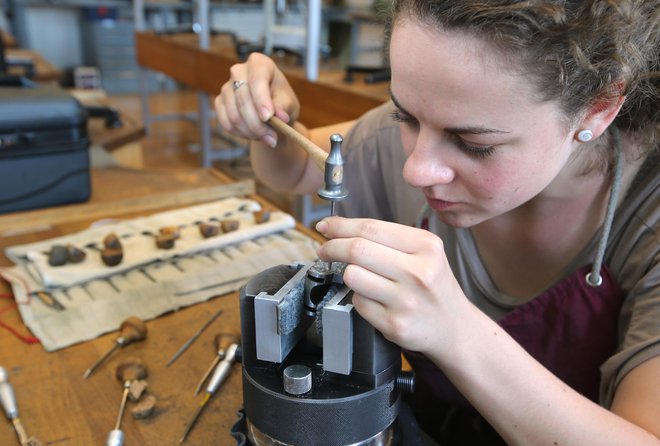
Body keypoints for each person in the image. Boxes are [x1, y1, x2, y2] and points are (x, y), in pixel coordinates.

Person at [215, 0, 659, 444]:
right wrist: (267, 121)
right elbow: (293, 168)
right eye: (404, 115)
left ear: (598, 110)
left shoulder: (647, 216)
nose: (416, 170)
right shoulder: (409, 139)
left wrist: (455, 331)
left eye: (473, 143)